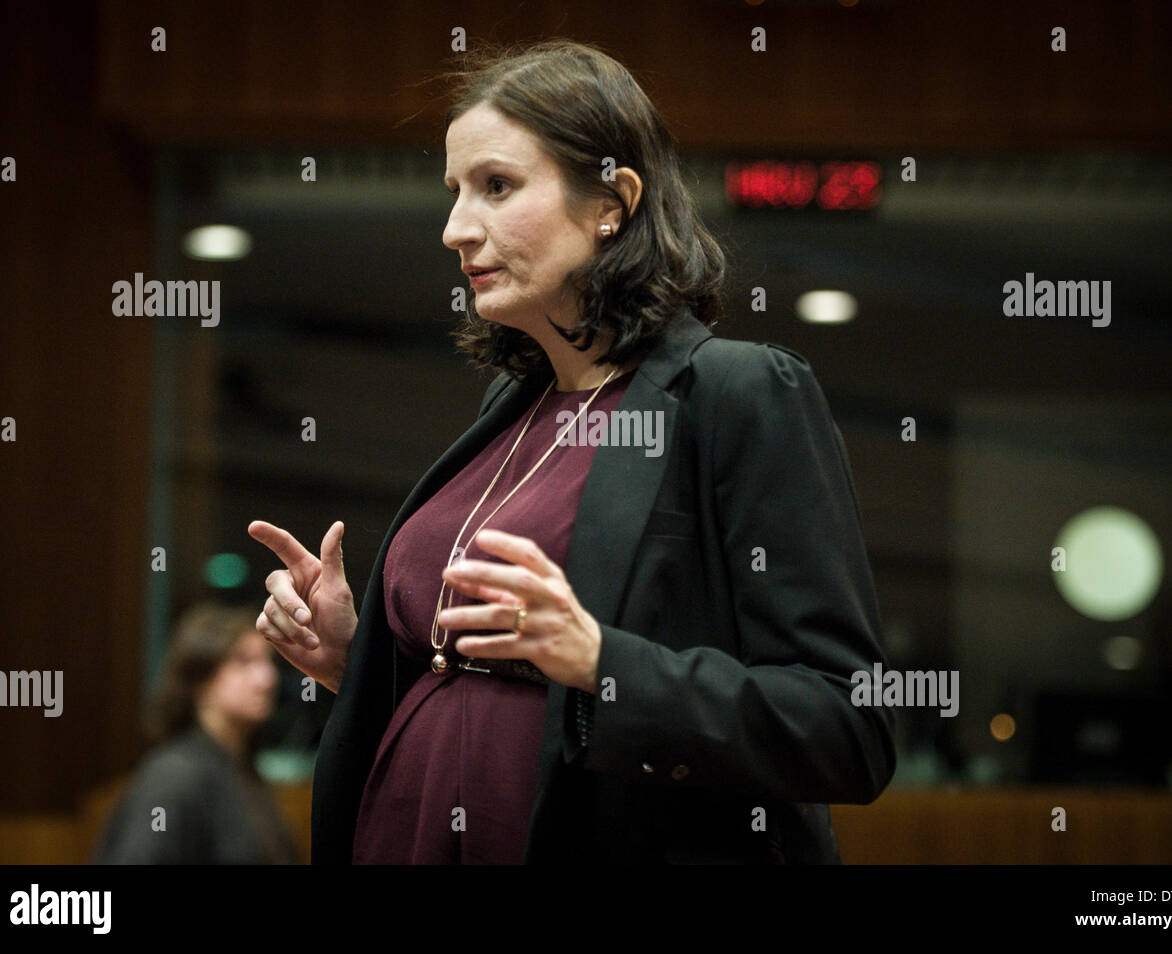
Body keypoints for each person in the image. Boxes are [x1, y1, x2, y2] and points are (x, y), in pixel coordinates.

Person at [249, 39, 895, 864]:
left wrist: (601, 660)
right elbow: (495, 699)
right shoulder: (510, 410)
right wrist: (360, 658)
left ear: (612, 201)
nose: (455, 229)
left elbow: (849, 727)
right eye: (453, 193)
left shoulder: (736, 395)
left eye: (496, 186)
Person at [95, 603, 298, 864]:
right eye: (244, 661)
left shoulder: (242, 767)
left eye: (267, 662)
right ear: (199, 677)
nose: (267, 679)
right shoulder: (174, 774)